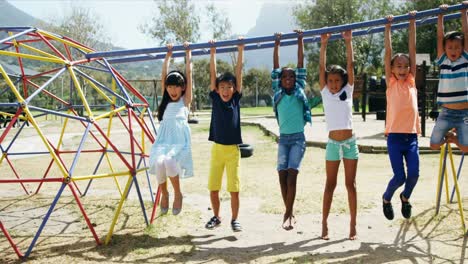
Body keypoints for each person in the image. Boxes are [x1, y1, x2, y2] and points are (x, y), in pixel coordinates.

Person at [319, 30, 358, 240]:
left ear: (342, 82)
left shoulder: (348, 90)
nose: (334, 84)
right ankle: (324, 224)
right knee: (330, 184)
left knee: (350, 184)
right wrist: (323, 44)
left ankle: (353, 224)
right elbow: (320, 69)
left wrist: (348, 41)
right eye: (330, 80)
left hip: (350, 143)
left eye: (337, 81)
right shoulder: (325, 93)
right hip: (333, 143)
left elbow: (350, 67)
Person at [382, 12, 420, 221]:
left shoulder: (411, 81)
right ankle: (387, 198)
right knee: (400, 176)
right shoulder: (392, 83)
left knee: (414, 174)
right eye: (399, 66)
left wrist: (412, 22)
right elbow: (388, 53)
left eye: (406, 66)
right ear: (392, 69)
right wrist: (388, 27)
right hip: (395, 137)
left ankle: (405, 197)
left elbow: (412, 49)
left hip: (412, 137)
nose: (403, 68)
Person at [272, 30, 311, 230]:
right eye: (285, 76)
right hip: (283, 139)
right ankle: (289, 210)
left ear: (296, 79)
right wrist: (276, 44)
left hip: (297, 139)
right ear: (280, 79)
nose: (288, 78)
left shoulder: (299, 90)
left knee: (292, 174)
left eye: (291, 76)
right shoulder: (277, 92)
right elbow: (276, 67)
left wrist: (300, 39)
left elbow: (300, 63)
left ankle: (288, 214)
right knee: (281, 174)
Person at [204, 38, 244, 232]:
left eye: (229, 87)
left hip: (232, 152)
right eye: (222, 87)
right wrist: (212, 52)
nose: (226, 90)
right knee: (213, 187)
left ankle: (235, 219)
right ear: (217, 89)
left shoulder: (236, 99)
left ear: (234, 89)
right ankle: (216, 216)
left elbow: (238, 73)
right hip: (217, 150)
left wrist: (240, 50)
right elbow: (213, 75)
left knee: (234, 188)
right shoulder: (215, 99)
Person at [148, 42, 193, 216]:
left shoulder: (185, 101)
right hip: (164, 140)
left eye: (176, 86)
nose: (173, 90)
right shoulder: (166, 102)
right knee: (159, 162)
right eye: (169, 86)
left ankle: (178, 194)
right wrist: (168, 55)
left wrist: (188, 53)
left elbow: (189, 73)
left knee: (169, 161)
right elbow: (163, 75)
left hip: (179, 142)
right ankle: (164, 194)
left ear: (183, 87)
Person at [430, 3, 468, 153]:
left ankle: (453, 138)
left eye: (457, 47)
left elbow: (466, 32)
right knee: (433, 145)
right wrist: (440, 16)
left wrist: (463, 12)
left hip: (464, 112)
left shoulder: (465, 60)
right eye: (450, 47)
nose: (454, 50)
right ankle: (449, 137)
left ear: (462, 48)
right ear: (445, 49)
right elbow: (440, 37)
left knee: (466, 148)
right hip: (446, 112)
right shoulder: (443, 61)